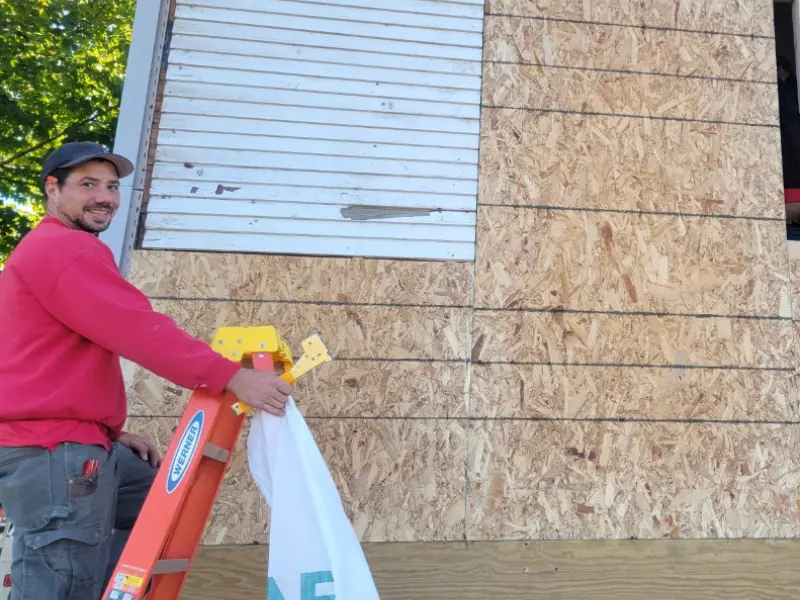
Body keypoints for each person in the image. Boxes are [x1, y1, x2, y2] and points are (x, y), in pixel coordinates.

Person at [0, 141, 294, 599]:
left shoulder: (52, 253)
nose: (105, 197)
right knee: (60, 584)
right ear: (52, 190)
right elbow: (136, 329)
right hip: (50, 451)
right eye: (88, 185)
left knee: (150, 501)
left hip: (68, 442)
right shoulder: (64, 249)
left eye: (113, 186)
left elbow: (40, 363)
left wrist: (106, 432)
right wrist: (233, 377)